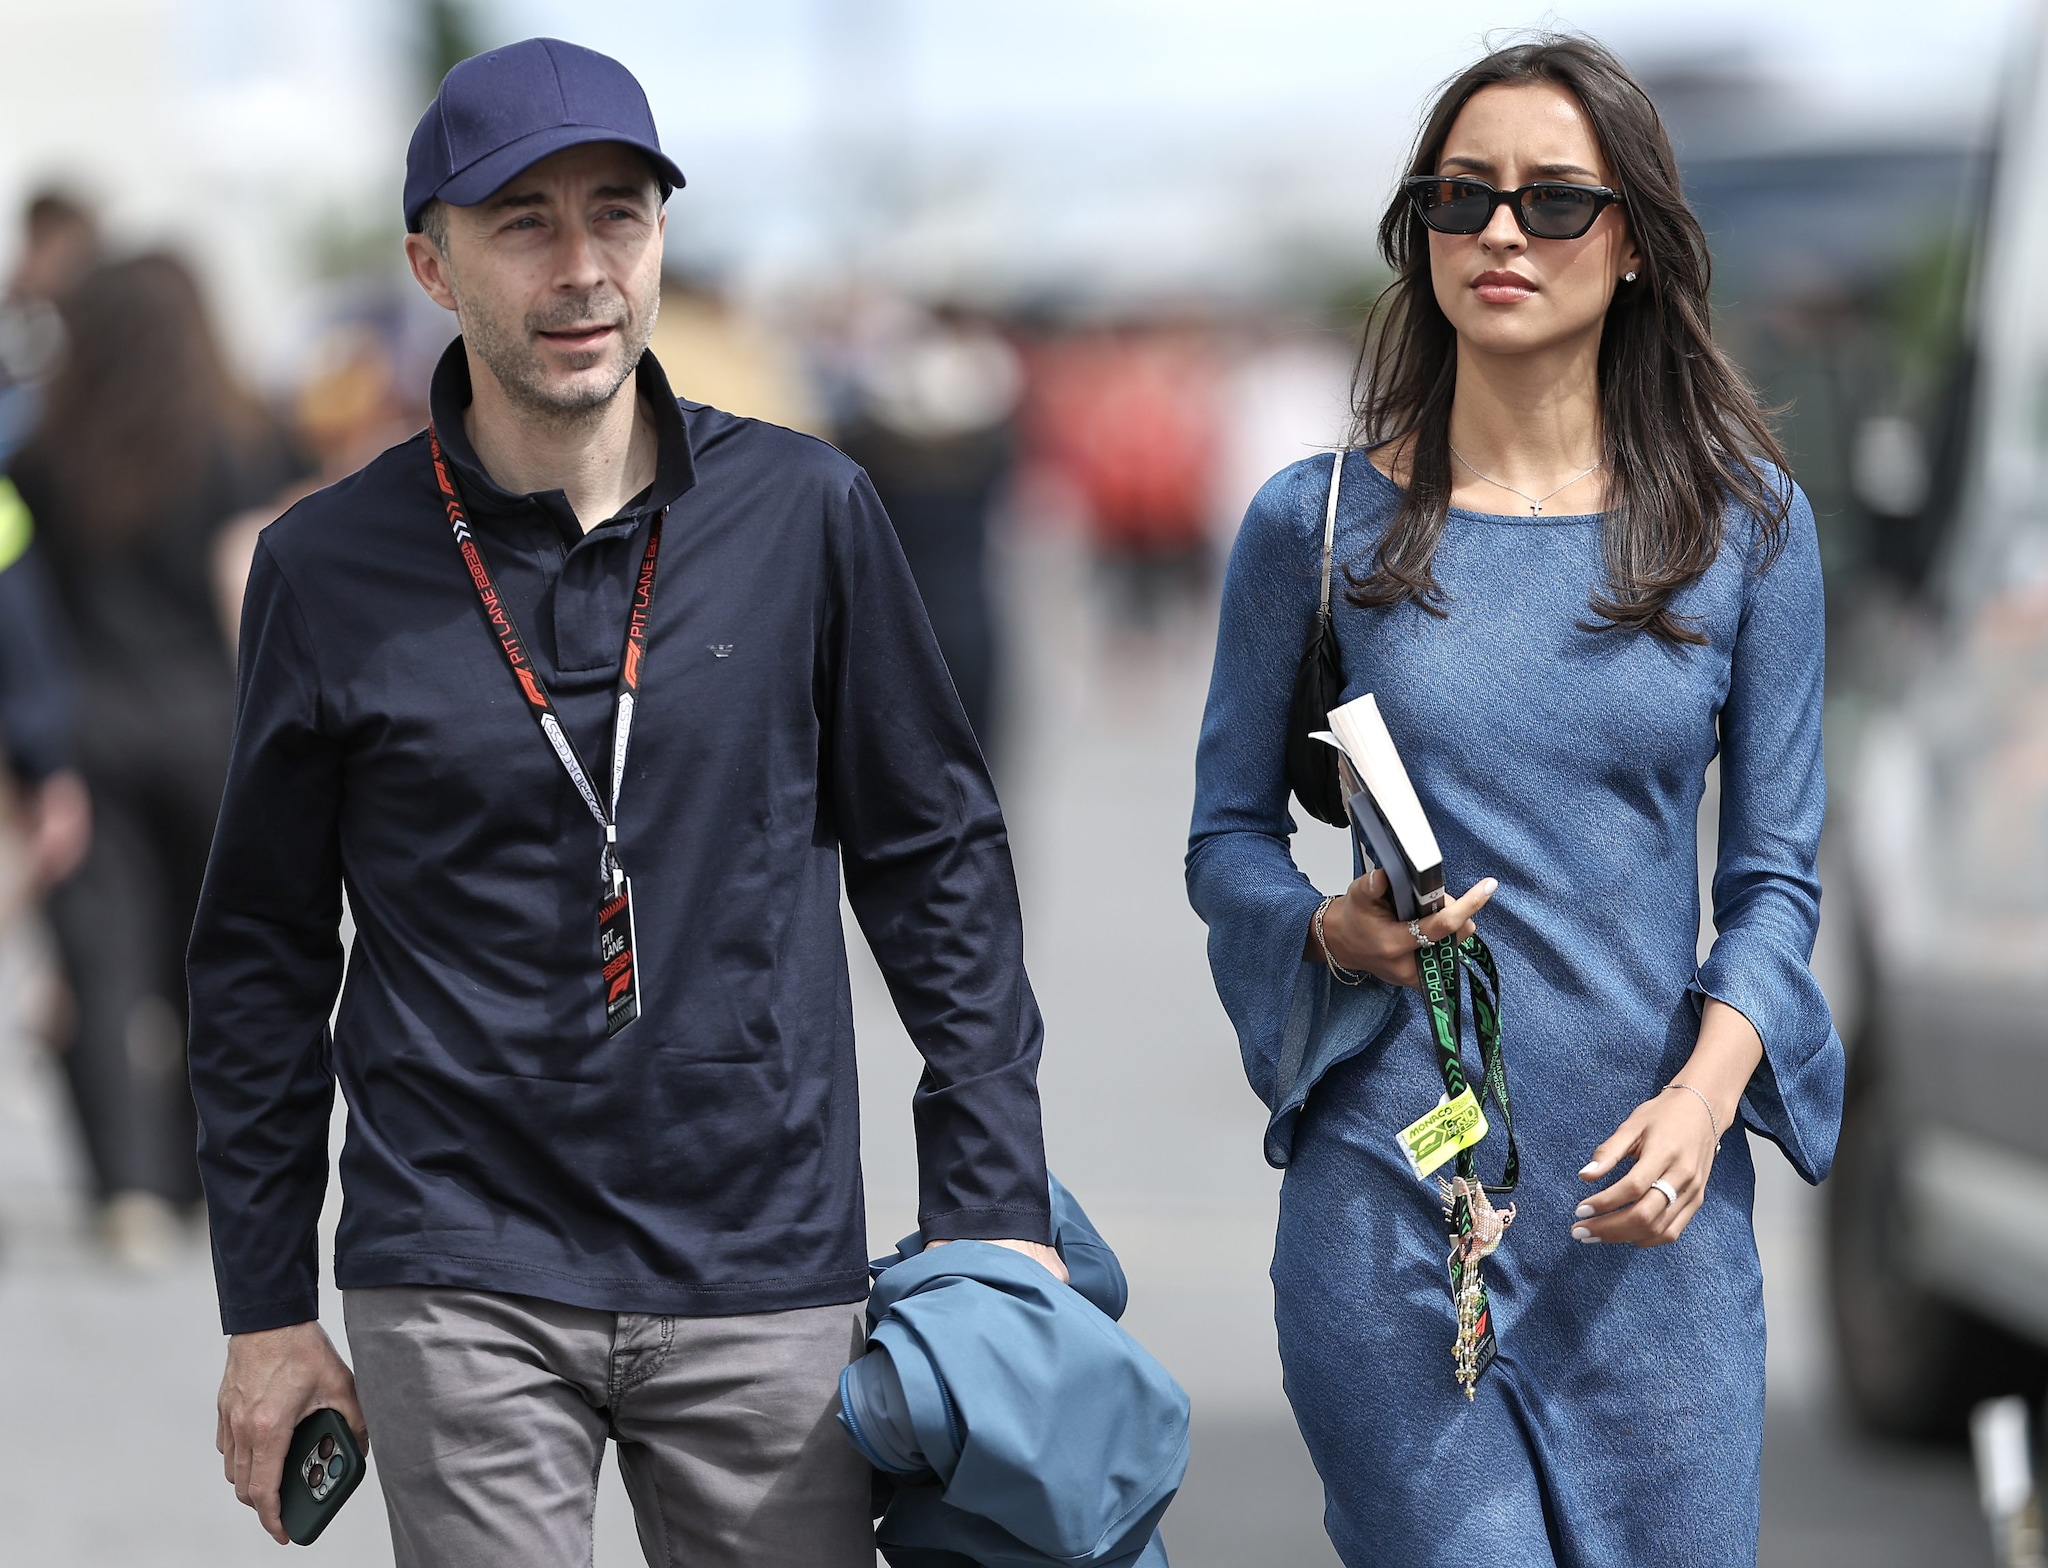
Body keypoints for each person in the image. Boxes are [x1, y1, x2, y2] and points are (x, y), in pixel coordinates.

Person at [192, 38, 1061, 1568]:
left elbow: (937, 864)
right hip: (459, 1264)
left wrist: (993, 1197)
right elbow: (260, 948)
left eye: (620, 214)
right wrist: (267, 1310)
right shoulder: (327, 568)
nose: (583, 267)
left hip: (767, 1264)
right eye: (524, 222)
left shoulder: (807, 514)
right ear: (431, 264)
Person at [1186, 35, 1841, 1567]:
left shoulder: (1750, 530)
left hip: (1651, 1232)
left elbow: (1776, 885)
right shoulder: (1319, 524)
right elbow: (1227, 838)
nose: (1500, 233)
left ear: (1632, 247)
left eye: (1554, 203)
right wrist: (1321, 932)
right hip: (1396, 1210)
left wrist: (1703, 1096)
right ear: (1419, 236)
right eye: (1461, 197)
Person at [7, 252, 302, 1267]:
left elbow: (24, 607)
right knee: (210, 964)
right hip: (209, 726)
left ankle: (126, 1189)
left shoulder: (42, 449)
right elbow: (257, 581)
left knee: (99, 960)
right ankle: (196, 1176)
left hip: (83, 731)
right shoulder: (240, 438)